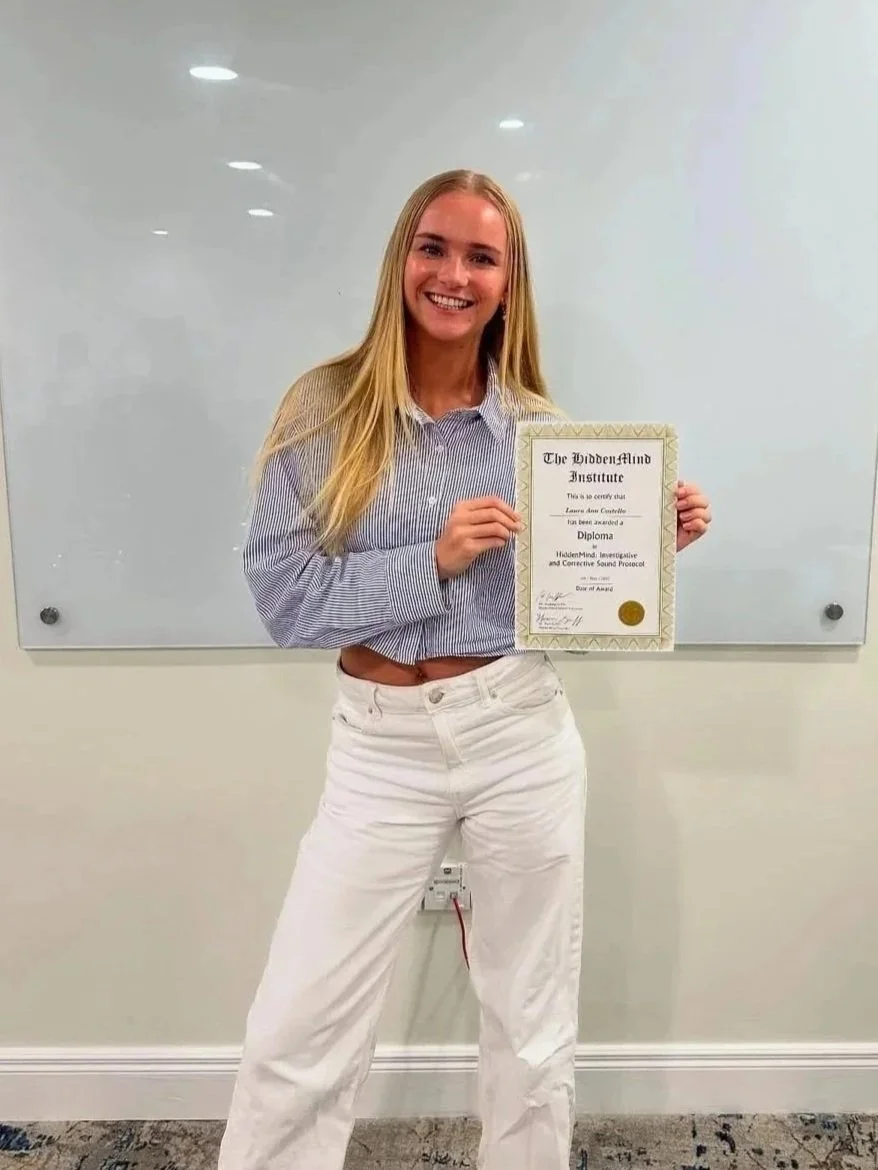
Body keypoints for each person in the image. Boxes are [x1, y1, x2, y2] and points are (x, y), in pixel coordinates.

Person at [218, 168, 712, 1170]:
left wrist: (643, 546)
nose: (453, 274)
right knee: (296, 1033)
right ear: (401, 258)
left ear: (506, 281)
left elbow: (569, 607)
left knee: (530, 1031)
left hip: (517, 731)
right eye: (433, 247)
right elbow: (285, 601)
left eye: (480, 256)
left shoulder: (540, 433)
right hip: (378, 748)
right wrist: (428, 563)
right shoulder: (322, 409)